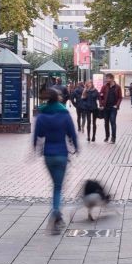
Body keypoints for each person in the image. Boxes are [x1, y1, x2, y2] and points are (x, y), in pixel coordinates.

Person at [33, 88, 78, 235]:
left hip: (48, 155)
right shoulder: (64, 114)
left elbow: (37, 135)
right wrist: (76, 147)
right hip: (62, 154)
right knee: (58, 186)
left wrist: (35, 148)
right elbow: (72, 133)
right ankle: (56, 211)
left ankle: (56, 212)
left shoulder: (42, 115)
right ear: (58, 99)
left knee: (55, 185)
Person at [99, 73, 123, 143]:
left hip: (113, 108)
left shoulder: (117, 87)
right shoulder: (104, 87)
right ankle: (107, 136)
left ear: (112, 78)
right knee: (106, 122)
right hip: (106, 108)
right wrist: (101, 105)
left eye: (107, 78)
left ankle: (113, 138)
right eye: (106, 78)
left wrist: (117, 105)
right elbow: (100, 96)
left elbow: (120, 97)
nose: (106, 80)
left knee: (113, 122)